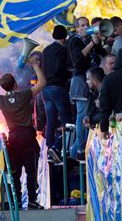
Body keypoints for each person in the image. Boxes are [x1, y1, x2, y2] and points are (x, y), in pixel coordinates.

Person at [0, 57, 45, 210]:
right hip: (28, 137)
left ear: (3, 88)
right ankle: (32, 201)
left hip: (13, 139)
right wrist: (35, 65)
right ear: (15, 84)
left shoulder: (1, 100)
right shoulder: (23, 95)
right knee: (31, 171)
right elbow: (42, 83)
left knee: (15, 173)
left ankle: (16, 202)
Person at [68, 16, 100, 159]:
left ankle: (76, 151)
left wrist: (96, 42)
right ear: (77, 28)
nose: (86, 27)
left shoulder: (87, 40)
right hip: (80, 79)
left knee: (87, 112)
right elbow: (77, 58)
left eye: (87, 24)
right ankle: (80, 149)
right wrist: (92, 43)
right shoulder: (75, 40)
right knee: (82, 114)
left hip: (88, 78)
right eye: (82, 25)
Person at [41, 25, 72, 157]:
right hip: (58, 88)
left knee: (51, 121)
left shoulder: (46, 50)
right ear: (65, 37)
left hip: (45, 89)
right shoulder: (62, 50)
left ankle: (49, 149)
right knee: (66, 120)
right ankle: (61, 148)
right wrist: (68, 75)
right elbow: (60, 68)